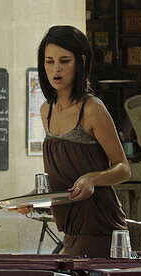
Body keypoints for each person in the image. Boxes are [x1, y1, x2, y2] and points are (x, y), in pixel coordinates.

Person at [28, 25, 131, 257]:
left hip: (100, 229)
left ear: (81, 62)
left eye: (64, 61)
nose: (56, 69)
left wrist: (92, 179)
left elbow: (123, 169)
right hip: (70, 230)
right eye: (49, 61)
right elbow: (64, 173)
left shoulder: (92, 109)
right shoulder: (47, 110)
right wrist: (34, 197)